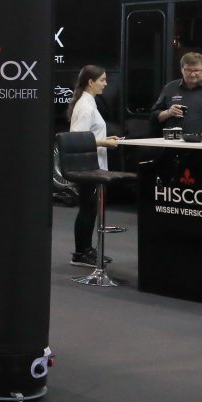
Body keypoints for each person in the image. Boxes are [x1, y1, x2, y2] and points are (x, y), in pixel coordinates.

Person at [68, 65, 122, 268]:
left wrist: (103, 139)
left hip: (93, 164)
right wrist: (103, 142)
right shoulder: (85, 106)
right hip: (87, 166)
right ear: (90, 82)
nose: (105, 84)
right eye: (102, 80)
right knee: (88, 209)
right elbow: (76, 138)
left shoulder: (89, 103)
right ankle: (81, 253)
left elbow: (89, 134)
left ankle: (87, 249)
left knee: (91, 209)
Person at [150, 51, 202, 139]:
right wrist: (168, 112)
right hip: (174, 143)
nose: (192, 74)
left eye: (196, 70)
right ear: (181, 69)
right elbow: (153, 117)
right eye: (188, 70)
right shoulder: (170, 88)